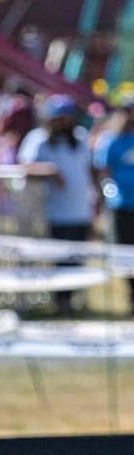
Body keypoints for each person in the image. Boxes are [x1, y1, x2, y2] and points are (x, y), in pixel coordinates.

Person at [18, 94, 95, 315]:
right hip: (55, 213)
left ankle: (73, 302)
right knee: (61, 259)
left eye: (68, 118)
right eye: (60, 119)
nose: (65, 123)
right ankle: (61, 303)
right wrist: (50, 170)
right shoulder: (39, 139)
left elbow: (89, 170)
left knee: (78, 260)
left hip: (81, 211)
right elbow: (26, 165)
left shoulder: (80, 139)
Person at [93, 92, 134, 312]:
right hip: (122, 205)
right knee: (126, 254)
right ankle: (132, 296)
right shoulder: (111, 139)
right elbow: (103, 170)